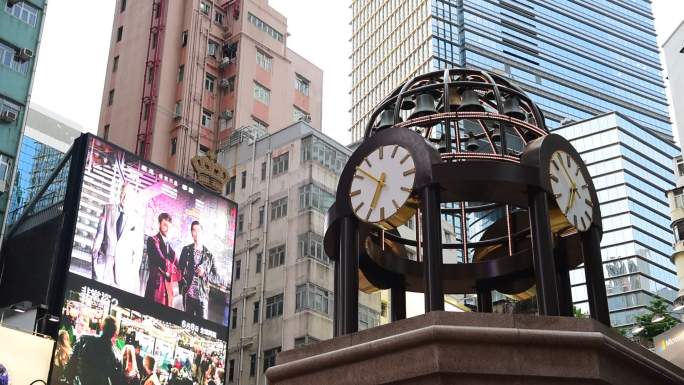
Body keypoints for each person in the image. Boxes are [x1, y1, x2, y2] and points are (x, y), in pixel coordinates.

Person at [91, 183, 142, 289]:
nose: (124, 197)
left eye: (127, 195)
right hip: (104, 261)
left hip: (123, 267)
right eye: (123, 194)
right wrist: (94, 253)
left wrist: (133, 270)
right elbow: (99, 233)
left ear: (132, 198)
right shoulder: (107, 209)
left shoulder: (137, 219)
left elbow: (138, 249)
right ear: (120, 194)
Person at [178, 221, 221, 319]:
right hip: (188, 296)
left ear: (202, 233)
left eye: (198, 230)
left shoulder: (209, 255)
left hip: (202, 299)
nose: (196, 233)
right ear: (191, 233)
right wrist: (183, 286)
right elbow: (179, 269)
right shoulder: (186, 250)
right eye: (194, 230)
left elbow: (216, 278)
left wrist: (204, 274)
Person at [67, 316, 121, 385]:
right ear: (114, 333)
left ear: (102, 327)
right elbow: (115, 379)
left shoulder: (84, 340)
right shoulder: (115, 355)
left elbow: (72, 363)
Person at [145, 213, 176, 305]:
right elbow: (160, 262)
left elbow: (178, 267)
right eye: (165, 225)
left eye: (169, 227)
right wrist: (171, 268)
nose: (167, 229)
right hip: (155, 287)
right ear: (159, 224)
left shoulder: (169, 246)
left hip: (167, 289)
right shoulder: (152, 240)